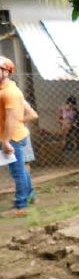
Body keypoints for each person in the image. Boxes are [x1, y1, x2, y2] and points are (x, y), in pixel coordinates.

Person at [0, 56, 35, 217]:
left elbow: (12, 120)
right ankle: (29, 195)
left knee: (18, 172)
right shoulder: (4, 89)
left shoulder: (10, 92)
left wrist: (6, 141)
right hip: (13, 135)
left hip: (13, 137)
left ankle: (20, 205)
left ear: (6, 71)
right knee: (21, 170)